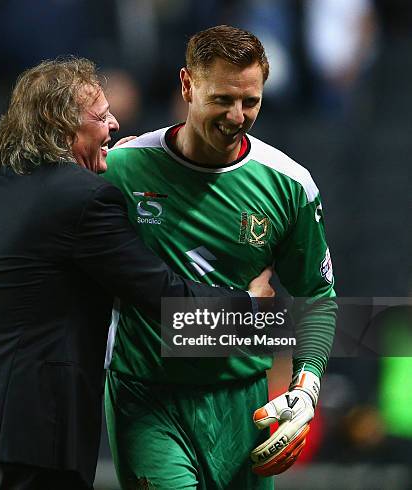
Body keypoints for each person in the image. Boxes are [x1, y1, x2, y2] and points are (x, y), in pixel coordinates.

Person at [0, 57, 275, 490]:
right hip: (24, 441)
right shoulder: (83, 199)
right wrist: (250, 310)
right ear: (63, 127)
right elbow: (162, 297)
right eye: (101, 117)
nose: (115, 123)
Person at [100, 25, 337, 489]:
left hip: (241, 403)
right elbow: (42, 236)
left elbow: (316, 296)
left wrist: (306, 387)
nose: (238, 115)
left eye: (251, 101)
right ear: (187, 85)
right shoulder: (122, 170)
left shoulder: (289, 185)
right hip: (147, 397)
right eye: (223, 100)